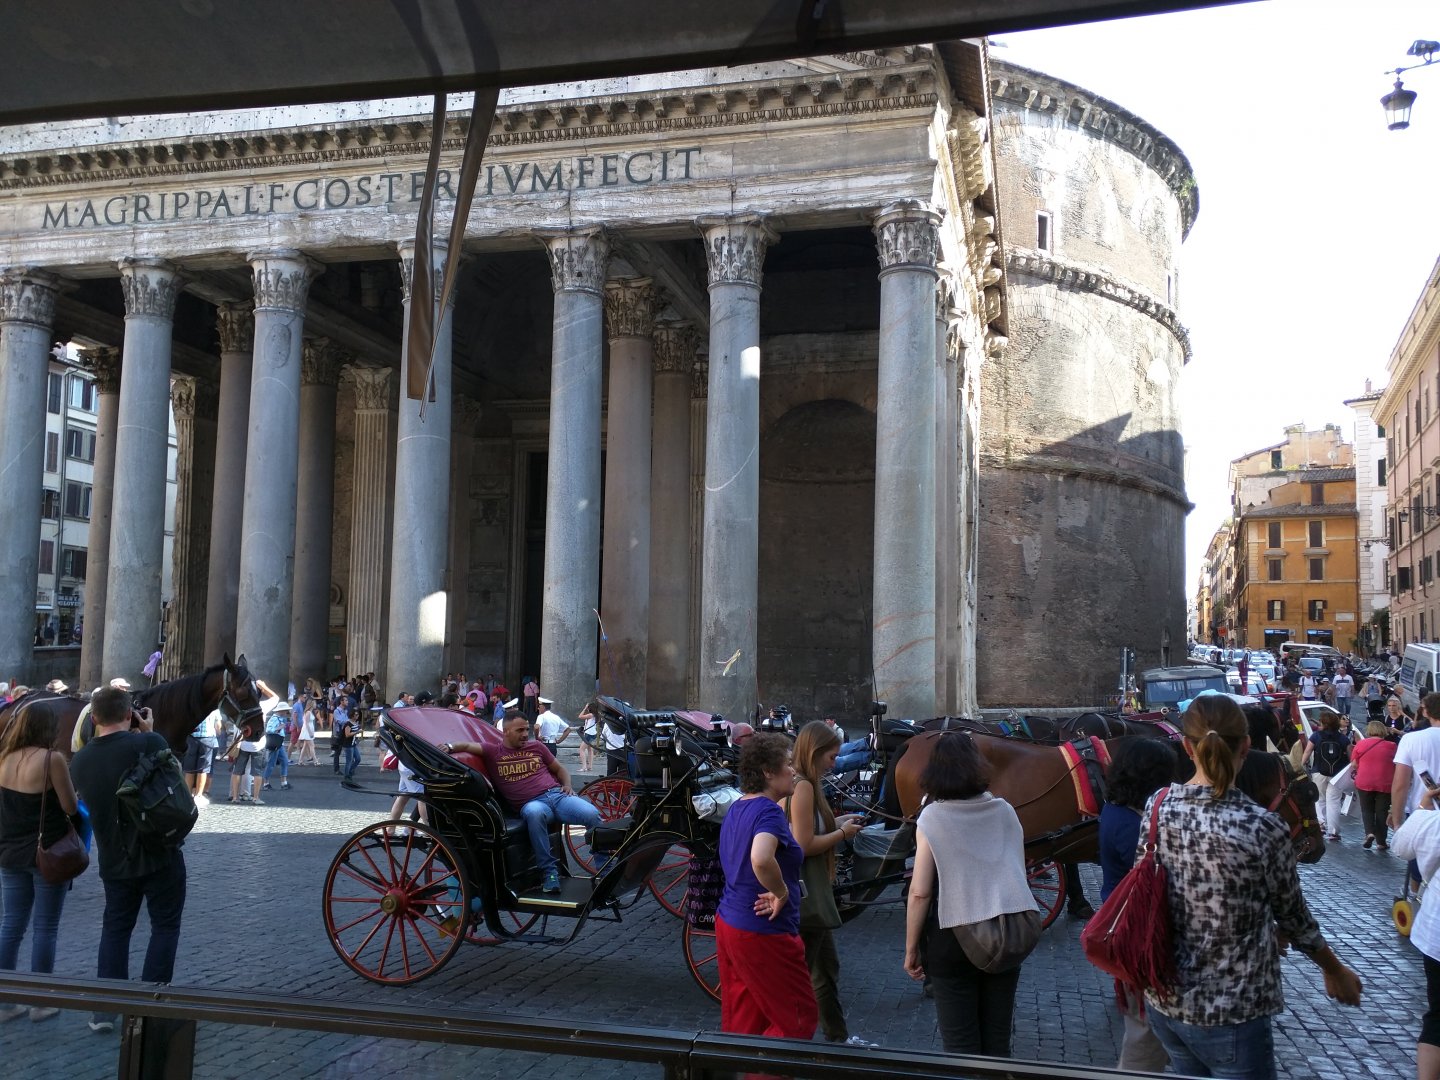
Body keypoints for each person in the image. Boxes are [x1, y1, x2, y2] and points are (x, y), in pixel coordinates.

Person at [1144, 695, 1362, 1078]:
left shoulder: (1158, 805)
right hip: (1233, 1009)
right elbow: (1293, 916)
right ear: (1247, 746)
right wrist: (1334, 970)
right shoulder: (1261, 825)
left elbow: (1155, 890)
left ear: (1186, 746)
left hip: (1166, 1001)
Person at [903, 731, 1037, 1057]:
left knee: (961, 1049)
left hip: (953, 938)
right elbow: (1016, 868)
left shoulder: (932, 817)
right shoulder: (1004, 810)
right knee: (997, 1043)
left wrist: (910, 949)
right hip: (1006, 934)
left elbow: (920, 892)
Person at [70, 687, 187, 1034]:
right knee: (164, 927)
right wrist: (150, 732)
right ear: (129, 715)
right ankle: (148, 1008)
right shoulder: (147, 744)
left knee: (116, 930)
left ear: (93, 719)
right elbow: (177, 779)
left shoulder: (80, 761)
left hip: (114, 859)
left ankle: (105, 1010)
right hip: (159, 853)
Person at [714, 731, 817, 1041]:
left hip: (730, 922)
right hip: (763, 930)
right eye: (788, 764)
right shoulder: (770, 811)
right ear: (768, 772)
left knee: (745, 1022)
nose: (794, 770)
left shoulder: (737, 807)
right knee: (796, 1023)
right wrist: (782, 891)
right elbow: (760, 858)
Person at [440, 708, 600, 893]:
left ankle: (605, 870)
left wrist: (567, 784)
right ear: (506, 731)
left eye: (526, 729)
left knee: (592, 814)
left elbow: (560, 769)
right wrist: (450, 746)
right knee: (534, 813)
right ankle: (549, 873)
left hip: (557, 796)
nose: (525, 734)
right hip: (533, 804)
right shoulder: (493, 751)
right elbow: (467, 746)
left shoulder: (537, 747)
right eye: (520, 730)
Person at [785, 722, 869, 1047]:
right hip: (808, 890)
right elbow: (803, 844)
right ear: (816, 752)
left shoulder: (805, 783)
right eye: (832, 757)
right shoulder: (804, 785)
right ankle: (802, 1041)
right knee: (811, 972)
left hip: (810, 888)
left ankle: (836, 1037)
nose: (835, 763)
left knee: (825, 967)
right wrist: (841, 835)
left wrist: (839, 822)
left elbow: (807, 828)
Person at [1096, 739, 1177, 1073]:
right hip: (1135, 926)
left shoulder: (1117, 811)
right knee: (1143, 1031)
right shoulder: (1132, 825)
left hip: (1121, 915)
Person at [0, 704, 81, 1023]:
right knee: (45, 927)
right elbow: (71, 806)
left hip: (9, 852)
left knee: (11, 926)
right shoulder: (52, 760)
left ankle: (4, 1002)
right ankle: (40, 1001)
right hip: (47, 851)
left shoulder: (3, 758)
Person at [1390, 776, 1440, 1080]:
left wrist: (1422, 808)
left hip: (1438, 933)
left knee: (1438, 1017)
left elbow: (1401, 847)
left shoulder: (1433, 822)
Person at [1392, 693, 1440, 898]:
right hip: (1425, 810)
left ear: (1426, 711)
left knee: (1419, 870)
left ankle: (1417, 901)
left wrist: (1397, 821)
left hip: (1423, 813)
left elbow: (1401, 784)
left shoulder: (1412, 739)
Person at [1303, 711, 1351, 842]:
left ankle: (1321, 824)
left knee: (1320, 799)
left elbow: (1307, 752)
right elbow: (1351, 757)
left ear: (1323, 723)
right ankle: (1334, 831)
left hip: (1319, 771)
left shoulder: (1316, 736)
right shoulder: (1343, 738)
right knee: (1334, 801)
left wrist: (1301, 765)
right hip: (1337, 774)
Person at [1352, 719, 1399, 850]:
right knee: (1382, 811)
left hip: (1364, 781)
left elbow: (1354, 764)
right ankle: (1381, 842)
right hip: (1385, 782)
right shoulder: (1392, 746)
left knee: (1366, 809)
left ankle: (1369, 833)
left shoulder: (1360, 745)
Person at [182, 708, 222, 804]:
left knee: (190, 769)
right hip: (207, 738)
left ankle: (188, 794)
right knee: (203, 769)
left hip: (191, 737)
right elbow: (218, 727)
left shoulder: (193, 705)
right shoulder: (214, 708)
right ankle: (199, 795)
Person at [261, 700, 293, 792]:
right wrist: (279, 728)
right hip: (276, 743)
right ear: (281, 711)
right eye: (285, 710)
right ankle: (266, 783)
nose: (286, 712)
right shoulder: (275, 719)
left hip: (278, 743)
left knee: (284, 761)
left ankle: (283, 782)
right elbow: (269, 730)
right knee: (272, 763)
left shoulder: (278, 718)